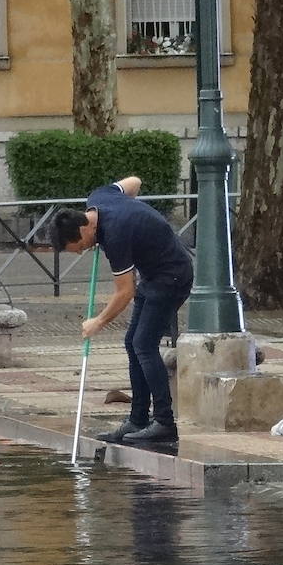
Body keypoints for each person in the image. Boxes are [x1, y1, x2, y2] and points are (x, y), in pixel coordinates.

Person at [51, 176, 193, 446]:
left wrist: (98, 322)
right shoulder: (98, 198)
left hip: (172, 275)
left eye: (80, 247)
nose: (83, 251)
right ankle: (138, 418)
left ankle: (164, 423)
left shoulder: (115, 235)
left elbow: (124, 292)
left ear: (84, 230)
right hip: (152, 275)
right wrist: (138, 220)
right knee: (132, 343)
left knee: (144, 344)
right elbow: (135, 182)